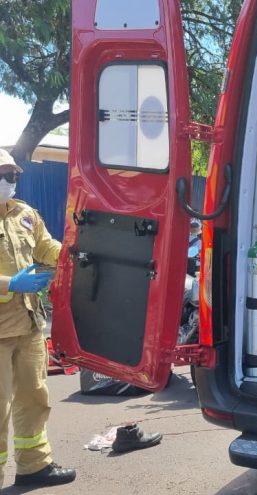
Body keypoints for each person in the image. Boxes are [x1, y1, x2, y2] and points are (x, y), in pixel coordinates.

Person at [0, 149, 76, 488]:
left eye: (13, 175)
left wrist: (73, 251)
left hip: (28, 324)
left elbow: (47, 247)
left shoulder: (25, 214)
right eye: (2, 175)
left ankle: (34, 467)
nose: (8, 182)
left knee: (35, 397)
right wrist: (10, 284)